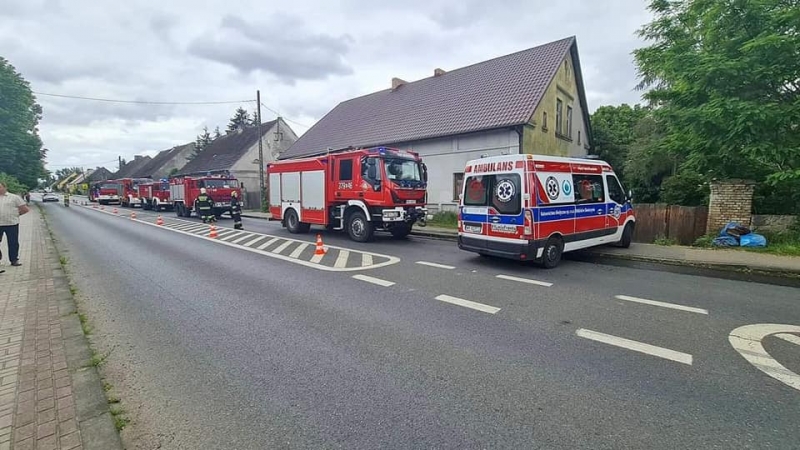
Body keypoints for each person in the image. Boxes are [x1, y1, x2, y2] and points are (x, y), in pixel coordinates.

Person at [0, 181, 30, 268]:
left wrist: (16, 215)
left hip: (11, 223)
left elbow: (25, 209)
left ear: (5, 187)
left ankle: (14, 260)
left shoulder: (14, 197)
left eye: (0, 187)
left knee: (13, 242)